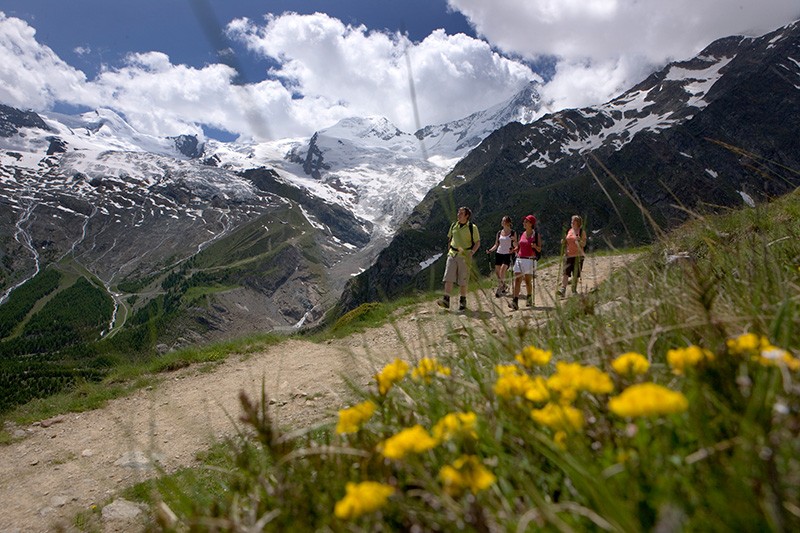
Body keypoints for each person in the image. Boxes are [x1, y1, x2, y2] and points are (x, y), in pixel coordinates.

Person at [438, 206, 480, 311]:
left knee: (463, 280)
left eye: (461, 213)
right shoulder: (453, 225)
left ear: (467, 216)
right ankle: (446, 300)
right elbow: (450, 238)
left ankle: (462, 301)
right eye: (458, 213)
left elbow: (477, 242)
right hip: (452, 254)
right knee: (448, 277)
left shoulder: (472, 227)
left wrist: (472, 252)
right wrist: (449, 250)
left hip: (464, 256)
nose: (458, 215)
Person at [508, 214, 541, 310]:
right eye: (524, 222)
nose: (524, 223)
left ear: (531, 224)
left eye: (526, 222)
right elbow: (519, 246)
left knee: (527, 281)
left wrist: (535, 247)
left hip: (530, 260)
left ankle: (529, 296)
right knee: (517, 279)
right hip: (520, 258)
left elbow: (539, 249)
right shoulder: (522, 234)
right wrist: (514, 250)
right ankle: (515, 301)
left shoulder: (536, 235)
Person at [486, 215, 516, 297]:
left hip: (507, 253)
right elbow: (496, 244)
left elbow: (515, 244)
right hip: (499, 253)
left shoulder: (513, 233)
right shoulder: (499, 233)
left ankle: (500, 288)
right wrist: (490, 250)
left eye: (503, 221)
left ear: (507, 223)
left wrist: (513, 243)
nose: (502, 222)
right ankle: (503, 285)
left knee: (503, 270)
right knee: (497, 272)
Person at [559, 215, 587, 297]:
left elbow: (584, 244)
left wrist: (580, 241)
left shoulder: (582, 232)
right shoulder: (569, 231)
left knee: (576, 273)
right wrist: (563, 242)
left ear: (578, 222)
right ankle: (563, 289)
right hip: (568, 255)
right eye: (572, 221)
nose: (572, 222)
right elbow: (566, 241)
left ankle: (573, 289)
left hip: (578, 255)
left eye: (573, 221)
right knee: (565, 272)